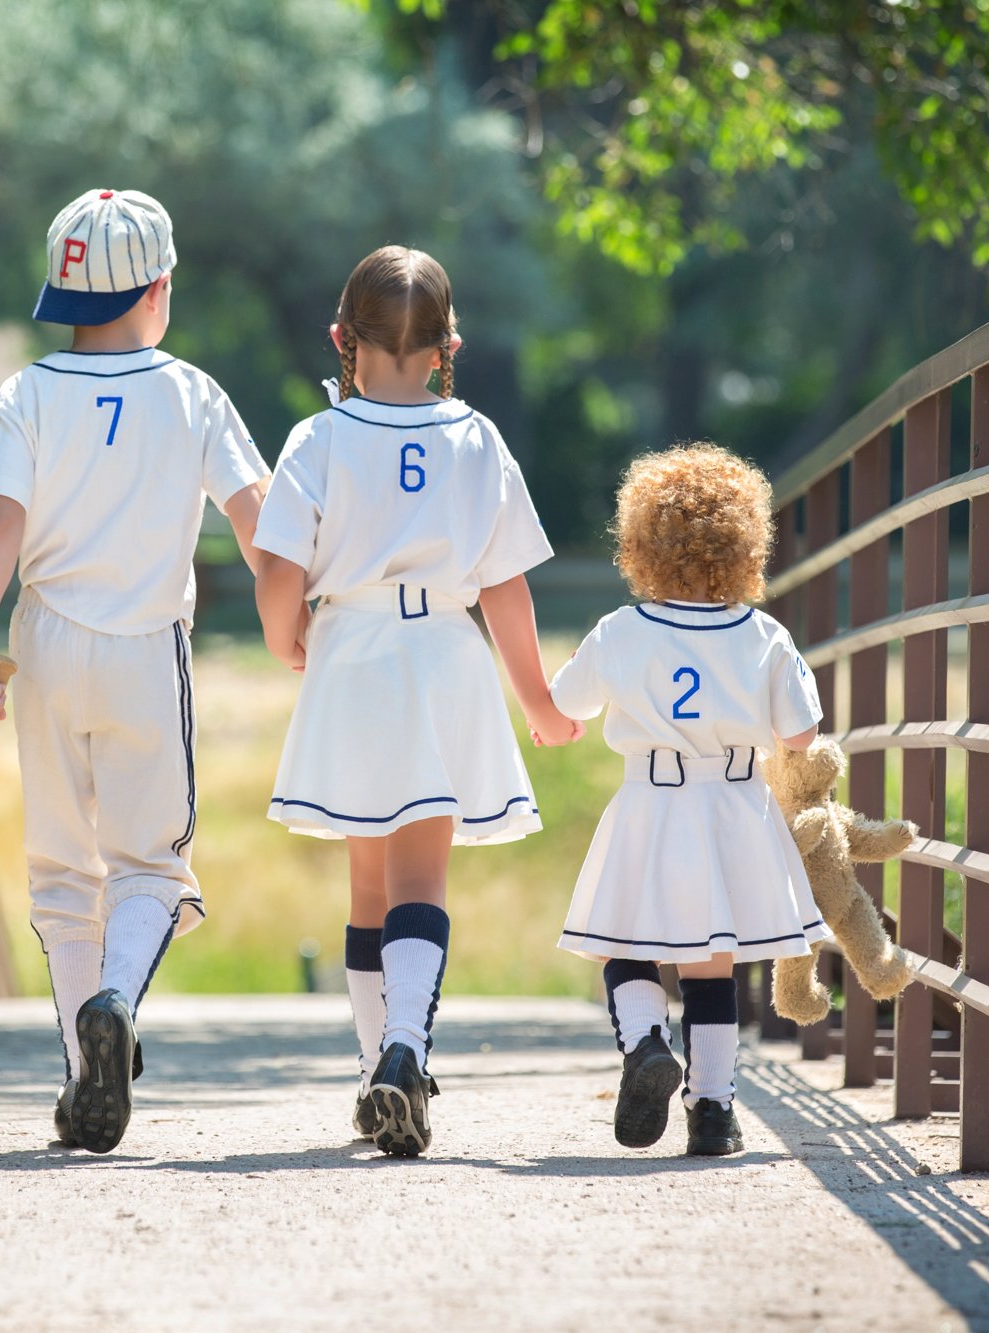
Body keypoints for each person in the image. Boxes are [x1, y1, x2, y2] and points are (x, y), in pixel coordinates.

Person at [0, 188, 271, 1153]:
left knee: (62, 869)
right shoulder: (194, 394)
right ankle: (116, 1003)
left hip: (46, 647)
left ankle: (78, 1071)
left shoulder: (28, 391)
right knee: (150, 866)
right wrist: (300, 619)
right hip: (145, 649)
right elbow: (258, 521)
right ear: (158, 289)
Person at [252, 245, 581, 1158]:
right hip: (443, 655)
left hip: (353, 653)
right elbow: (505, 585)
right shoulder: (477, 438)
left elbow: (280, 567)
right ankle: (404, 1051)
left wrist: (285, 634)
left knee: (368, 886)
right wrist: (539, 701)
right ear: (450, 346)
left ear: (340, 340)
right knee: (421, 883)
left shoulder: (317, 439)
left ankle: (377, 1068)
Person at [548, 443, 830, 1156]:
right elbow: (802, 731)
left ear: (639, 544)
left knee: (625, 943)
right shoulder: (766, 636)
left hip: (652, 798)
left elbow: (563, 703)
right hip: (735, 803)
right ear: (746, 544)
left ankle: (645, 1042)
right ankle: (714, 1111)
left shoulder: (621, 631)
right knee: (714, 966)